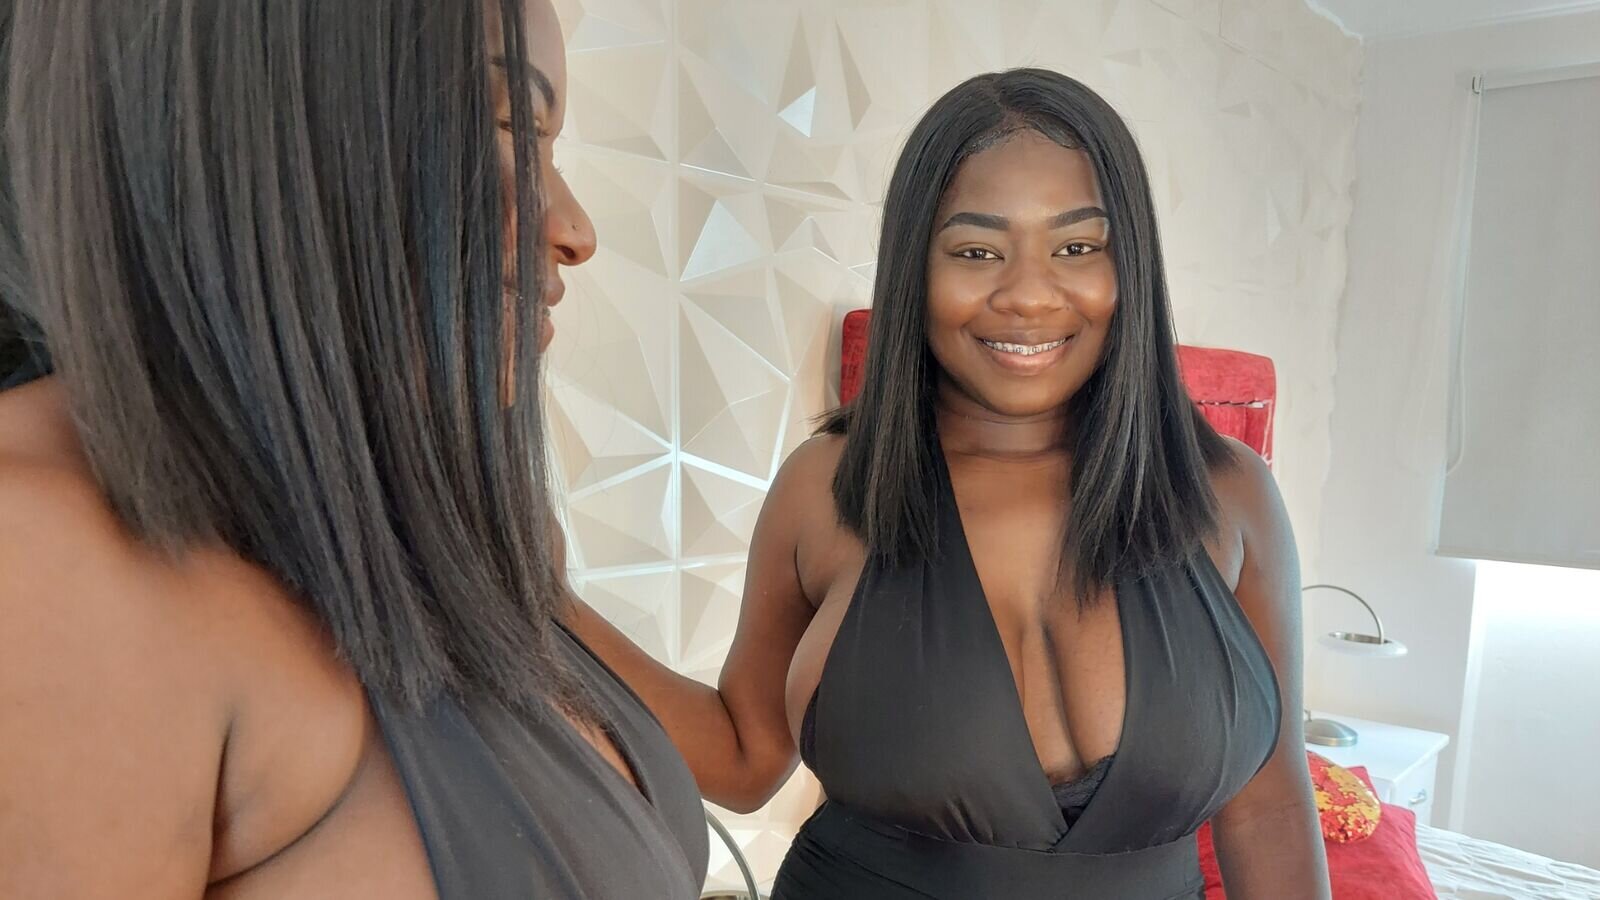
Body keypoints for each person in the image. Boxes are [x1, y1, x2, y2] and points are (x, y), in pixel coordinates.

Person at [0, 1, 707, 897]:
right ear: (269, 112)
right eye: (511, 127)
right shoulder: (49, 566)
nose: (575, 229)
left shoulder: (466, 542)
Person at [569, 68, 1331, 898]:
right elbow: (745, 761)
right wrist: (538, 595)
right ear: (915, 271)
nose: (1028, 296)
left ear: (1131, 265)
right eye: (976, 252)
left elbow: (1269, 806)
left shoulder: (1232, 495)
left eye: (1077, 248)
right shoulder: (827, 488)